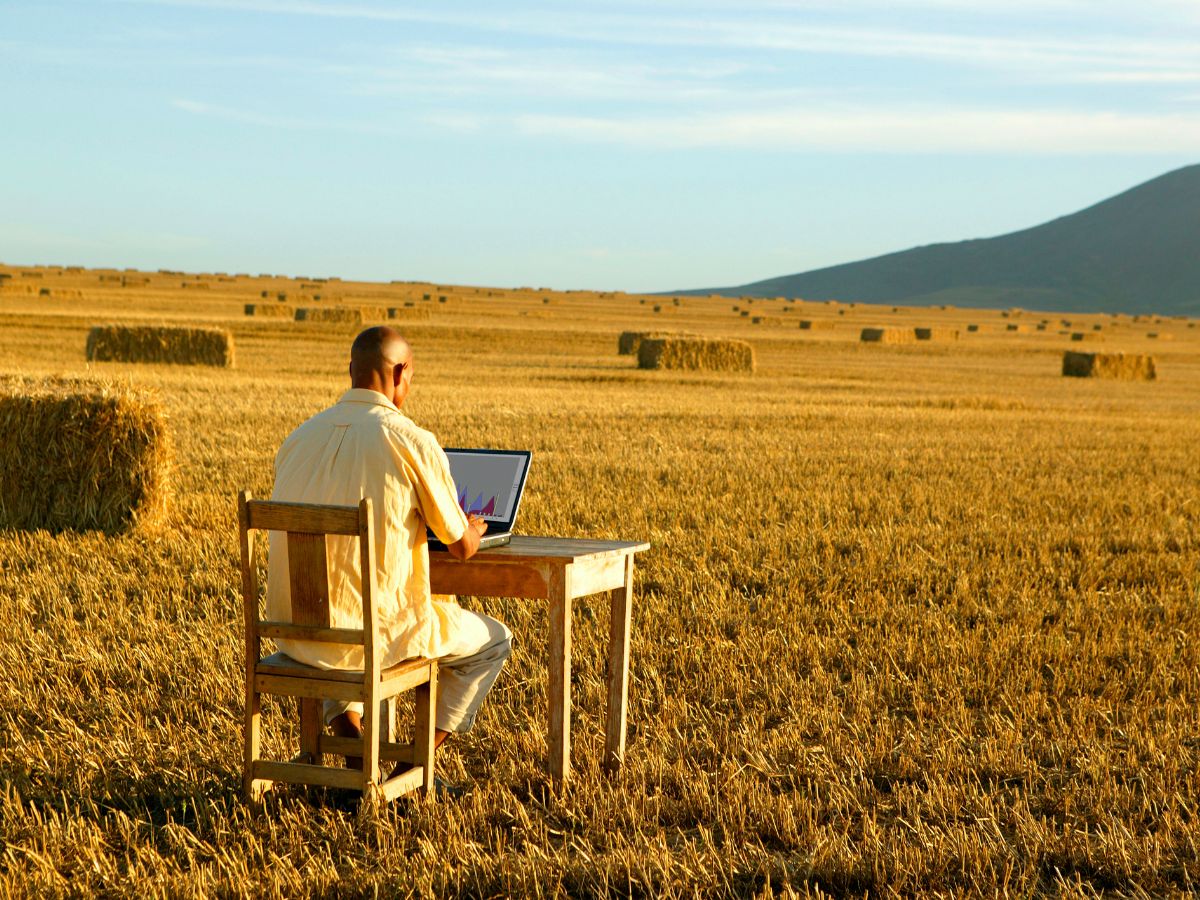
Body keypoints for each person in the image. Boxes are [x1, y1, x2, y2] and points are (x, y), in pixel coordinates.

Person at [265, 325, 512, 769]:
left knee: (336, 644)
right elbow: (460, 548)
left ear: (351, 372)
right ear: (400, 373)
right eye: (410, 379)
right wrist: (472, 528)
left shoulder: (297, 440)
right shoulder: (411, 440)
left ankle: (359, 756)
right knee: (494, 641)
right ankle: (415, 766)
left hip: (295, 632)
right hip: (375, 640)